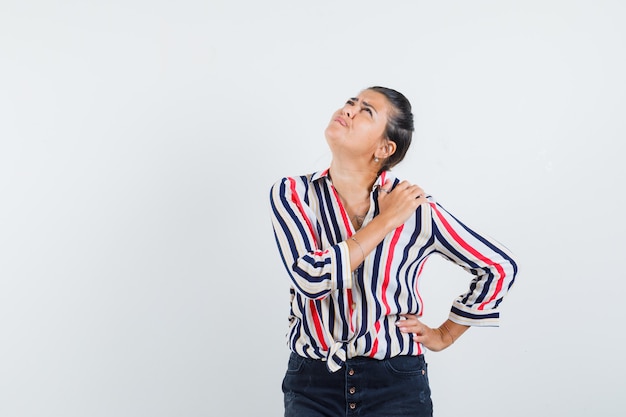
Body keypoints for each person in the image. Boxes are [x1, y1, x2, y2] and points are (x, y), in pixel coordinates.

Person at [269, 86, 518, 417]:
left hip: (395, 385)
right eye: (350, 102)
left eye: (366, 111)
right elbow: (311, 278)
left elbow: (498, 267)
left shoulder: (413, 205)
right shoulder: (293, 193)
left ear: (384, 147)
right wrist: (385, 221)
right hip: (312, 385)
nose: (348, 110)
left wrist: (445, 334)